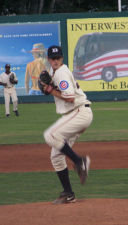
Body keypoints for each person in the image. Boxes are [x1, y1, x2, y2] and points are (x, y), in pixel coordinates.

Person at [41, 45, 93, 204]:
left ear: (61, 58)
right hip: (75, 115)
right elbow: (50, 87)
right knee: (56, 157)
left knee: (50, 135)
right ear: (49, 59)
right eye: (52, 58)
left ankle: (79, 161)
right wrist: (47, 88)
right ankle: (69, 194)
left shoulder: (62, 72)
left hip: (79, 112)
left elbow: (69, 98)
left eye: (58, 58)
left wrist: (50, 90)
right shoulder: (54, 72)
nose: (55, 61)